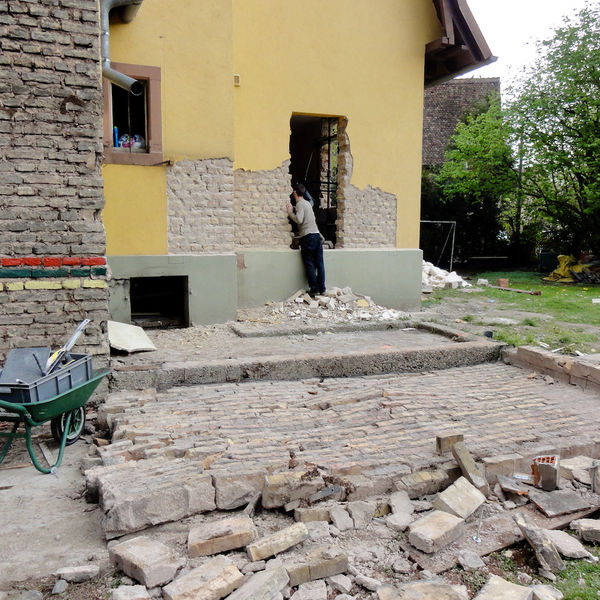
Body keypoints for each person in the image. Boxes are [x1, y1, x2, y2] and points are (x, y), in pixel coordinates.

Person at [286, 184, 326, 297]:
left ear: (294, 193)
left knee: (309, 264)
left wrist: (290, 212)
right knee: (320, 264)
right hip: (317, 235)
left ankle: (314, 289)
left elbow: (299, 219)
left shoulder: (299, 204)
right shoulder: (308, 203)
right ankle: (322, 289)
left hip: (308, 237)